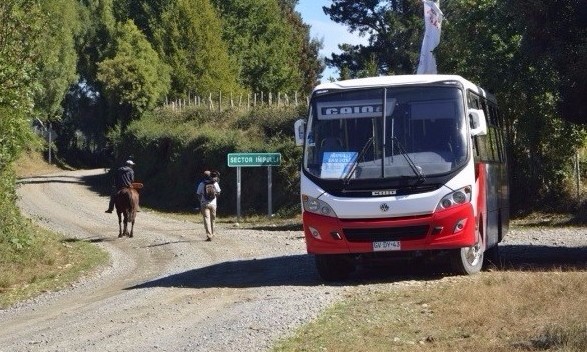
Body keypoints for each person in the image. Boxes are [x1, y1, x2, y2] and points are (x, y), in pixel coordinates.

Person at [196, 170, 221, 241]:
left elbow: (198, 194)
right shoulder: (215, 183)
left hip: (204, 203)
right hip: (213, 204)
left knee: (207, 219)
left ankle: (209, 235)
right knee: (213, 219)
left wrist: (201, 201)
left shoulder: (202, 183)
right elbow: (219, 192)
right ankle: (213, 233)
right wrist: (215, 197)